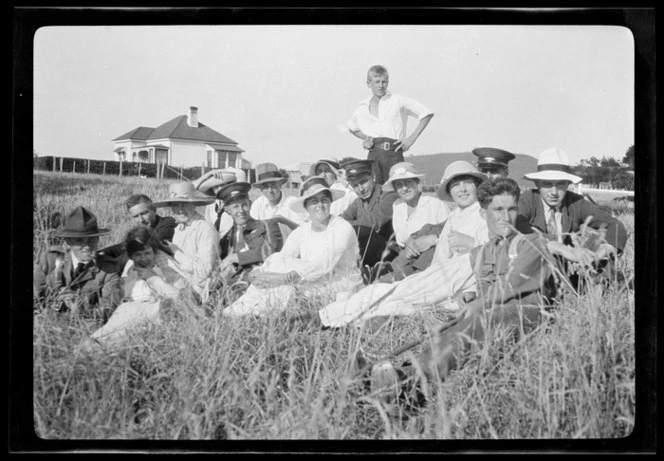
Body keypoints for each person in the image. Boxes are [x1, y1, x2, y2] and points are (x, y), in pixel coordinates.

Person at [365, 177, 571, 400]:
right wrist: (470, 295)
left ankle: (411, 385)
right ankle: (395, 374)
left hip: (526, 315)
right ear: (484, 214)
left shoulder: (531, 242)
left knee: (475, 322)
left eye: (511, 209)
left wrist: (480, 302)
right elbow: (479, 282)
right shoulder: (483, 251)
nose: (505, 217)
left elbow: (510, 285)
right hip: (492, 315)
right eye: (498, 209)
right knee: (445, 330)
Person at [221, 176, 362, 318]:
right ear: (306, 207)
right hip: (310, 278)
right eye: (314, 201)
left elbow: (324, 263)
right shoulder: (303, 230)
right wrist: (262, 273)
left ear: (330, 203)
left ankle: (262, 315)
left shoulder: (342, 227)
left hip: (338, 283)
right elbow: (283, 257)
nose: (320, 205)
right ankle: (242, 309)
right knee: (277, 260)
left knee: (286, 285)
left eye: (324, 200)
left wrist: (285, 278)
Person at [516, 147, 628, 285]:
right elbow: (518, 231)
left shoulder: (575, 202)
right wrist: (563, 250)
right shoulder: (527, 200)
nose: (554, 192)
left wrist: (599, 253)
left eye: (561, 184)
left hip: (571, 267)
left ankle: (601, 289)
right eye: (547, 184)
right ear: (537, 184)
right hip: (537, 267)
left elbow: (615, 226)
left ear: (568, 184)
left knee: (597, 242)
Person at [77, 226, 187, 355]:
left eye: (147, 253)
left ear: (154, 252)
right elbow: (121, 297)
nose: (144, 258)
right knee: (120, 318)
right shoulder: (130, 270)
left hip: (155, 310)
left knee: (128, 321)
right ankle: (94, 344)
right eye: (138, 255)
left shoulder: (163, 267)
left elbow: (179, 297)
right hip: (129, 309)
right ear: (131, 257)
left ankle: (98, 345)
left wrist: (154, 279)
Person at [383, 161, 489, 281]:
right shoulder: (454, 216)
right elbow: (440, 255)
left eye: (468, 183)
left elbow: (497, 253)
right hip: (433, 272)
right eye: (456, 185)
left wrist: (470, 243)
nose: (462, 189)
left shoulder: (485, 214)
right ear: (449, 190)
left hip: (463, 279)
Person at [347, 64, 435, 185]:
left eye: (384, 82)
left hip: (393, 153)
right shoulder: (362, 107)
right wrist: (366, 138)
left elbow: (426, 113)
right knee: (376, 191)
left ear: (388, 83)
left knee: (396, 189)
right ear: (368, 84)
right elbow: (352, 127)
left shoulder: (397, 100)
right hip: (373, 155)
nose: (380, 85)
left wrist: (411, 138)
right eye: (377, 82)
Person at [34, 206, 121, 317]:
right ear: (68, 242)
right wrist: (53, 301)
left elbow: (110, 310)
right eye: (79, 241)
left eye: (92, 239)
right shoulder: (50, 259)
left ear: (98, 239)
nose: (87, 246)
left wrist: (81, 307)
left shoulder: (108, 269)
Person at [378, 161, 449, 280]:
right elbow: (401, 240)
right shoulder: (398, 205)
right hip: (405, 256)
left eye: (408, 182)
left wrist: (432, 240)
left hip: (431, 257)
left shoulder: (434, 204)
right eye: (399, 185)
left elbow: (449, 233)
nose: (404, 188)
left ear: (417, 183)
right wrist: (408, 244)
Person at [152, 181, 220, 301]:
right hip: (182, 278)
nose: (180, 210)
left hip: (199, 286)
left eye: (184, 204)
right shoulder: (179, 228)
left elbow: (204, 271)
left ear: (194, 205)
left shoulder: (205, 229)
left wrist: (175, 252)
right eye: (176, 205)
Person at [216, 181, 284, 286]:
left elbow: (273, 249)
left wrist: (237, 257)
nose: (241, 210)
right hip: (234, 286)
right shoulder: (226, 240)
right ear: (227, 210)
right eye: (235, 207)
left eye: (244, 205)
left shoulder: (268, 225)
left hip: (263, 281)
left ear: (250, 204)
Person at [338, 159, 399, 276]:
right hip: (367, 254)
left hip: (388, 255)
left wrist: (342, 227)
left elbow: (371, 221)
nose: (361, 189)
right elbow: (342, 219)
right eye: (355, 186)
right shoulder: (358, 202)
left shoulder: (388, 196)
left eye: (364, 182)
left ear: (373, 176)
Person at [250, 162, 306, 239]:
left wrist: (283, 221)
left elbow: (303, 231)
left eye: (273, 185)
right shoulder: (257, 204)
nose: (270, 191)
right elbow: (253, 232)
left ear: (280, 185)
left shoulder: (292, 203)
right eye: (265, 187)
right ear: (261, 189)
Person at [193, 167, 247, 238]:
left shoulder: (236, 200)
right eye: (216, 187)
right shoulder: (212, 205)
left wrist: (220, 170)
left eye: (222, 185)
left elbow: (241, 173)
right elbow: (192, 189)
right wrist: (207, 175)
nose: (219, 189)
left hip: (234, 242)